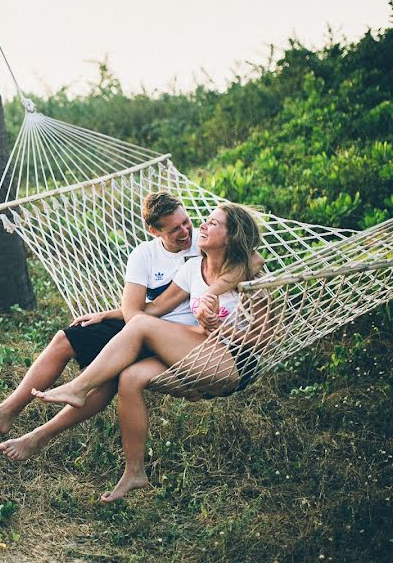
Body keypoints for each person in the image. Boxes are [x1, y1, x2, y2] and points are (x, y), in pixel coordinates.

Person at [0, 192, 259, 467]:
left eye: (187, 222)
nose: (186, 232)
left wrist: (214, 292)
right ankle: (8, 410)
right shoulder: (146, 255)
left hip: (183, 340)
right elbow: (137, 312)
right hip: (143, 326)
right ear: (155, 232)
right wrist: (107, 315)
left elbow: (252, 259)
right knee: (66, 338)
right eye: (174, 229)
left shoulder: (203, 244)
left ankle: (45, 428)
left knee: (112, 375)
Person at [32, 202, 271, 501]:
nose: (202, 227)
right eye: (206, 221)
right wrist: (109, 314)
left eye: (213, 223)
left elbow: (264, 343)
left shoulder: (252, 279)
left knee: (143, 327)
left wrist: (219, 328)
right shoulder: (193, 268)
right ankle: (135, 473)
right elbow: (155, 308)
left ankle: (79, 388)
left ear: (232, 236)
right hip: (201, 348)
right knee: (130, 377)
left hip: (234, 362)